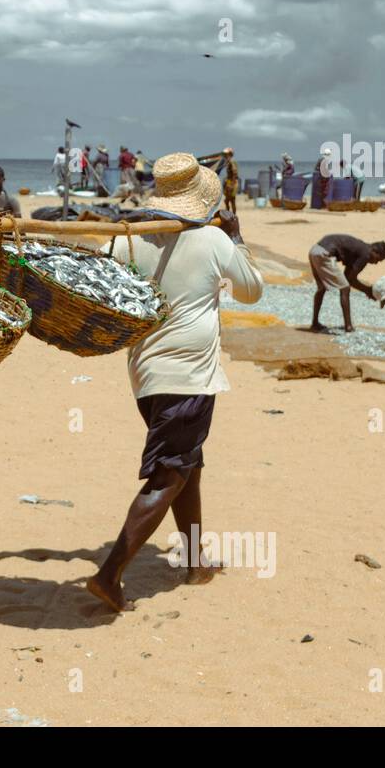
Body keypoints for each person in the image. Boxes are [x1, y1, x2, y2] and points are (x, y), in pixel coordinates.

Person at [88, 153, 263, 610]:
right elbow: (252, 290)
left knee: (188, 467)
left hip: (146, 374)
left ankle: (193, 562)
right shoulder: (212, 240)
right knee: (168, 476)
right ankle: (110, 574)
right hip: (189, 376)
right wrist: (238, 237)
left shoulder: (128, 240)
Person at [308, 234, 385, 332]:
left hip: (315, 250)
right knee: (345, 289)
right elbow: (350, 281)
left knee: (322, 288)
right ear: (374, 251)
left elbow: (348, 278)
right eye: (378, 259)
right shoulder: (365, 255)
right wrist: (368, 290)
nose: (376, 263)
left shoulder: (361, 248)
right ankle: (348, 326)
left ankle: (314, 323)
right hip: (324, 254)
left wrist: (367, 290)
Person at [217, 147, 239, 213]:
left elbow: (234, 172)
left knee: (228, 200)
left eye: (226, 155)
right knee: (231, 200)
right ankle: (231, 214)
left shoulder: (231, 162)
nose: (226, 156)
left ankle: (230, 214)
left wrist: (232, 184)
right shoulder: (230, 162)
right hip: (231, 182)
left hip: (231, 183)